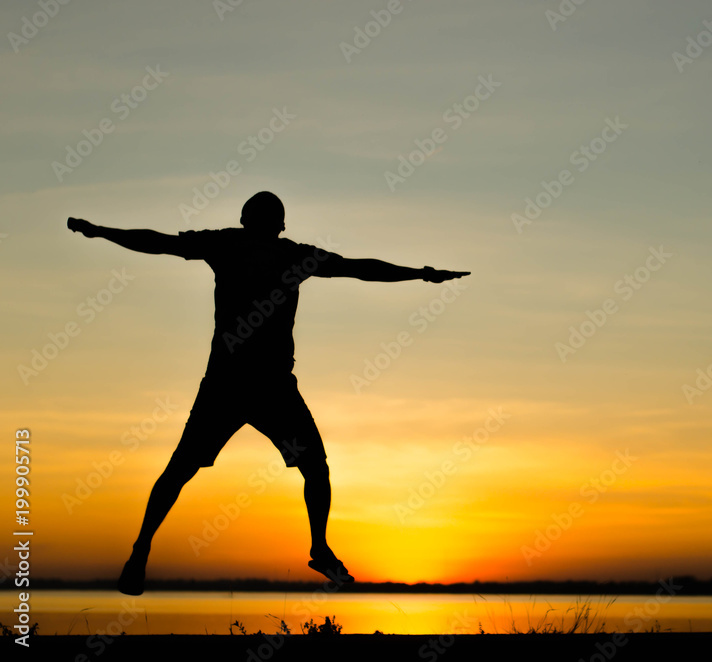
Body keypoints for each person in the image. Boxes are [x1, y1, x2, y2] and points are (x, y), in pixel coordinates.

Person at [67, 191, 469, 595]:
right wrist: (420, 273)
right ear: (277, 224)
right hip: (254, 386)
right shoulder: (283, 253)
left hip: (247, 385)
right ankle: (316, 548)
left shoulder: (234, 245)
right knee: (307, 468)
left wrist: (102, 232)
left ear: (249, 220)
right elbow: (359, 269)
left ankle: (142, 551)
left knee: (187, 470)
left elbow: (158, 242)